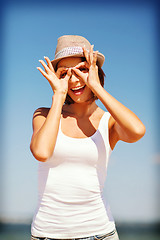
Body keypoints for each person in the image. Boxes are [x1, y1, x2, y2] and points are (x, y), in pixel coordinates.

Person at [30, 35, 146, 240]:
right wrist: (58, 96)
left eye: (82, 70)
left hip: (99, 232)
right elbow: (41, 152)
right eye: (64, 73)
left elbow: (137, 131)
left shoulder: (108, 122)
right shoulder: (44, 114)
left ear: (95, 71)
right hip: (47, 234)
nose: (74, 80)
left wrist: (97, 88)